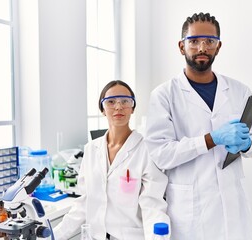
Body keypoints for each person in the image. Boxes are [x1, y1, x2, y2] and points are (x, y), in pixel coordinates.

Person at [145, 12, 252, 240]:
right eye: (194, 41)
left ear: (218, 47)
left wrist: (247, 143)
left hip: (232, 204)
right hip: (190, 210)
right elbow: (161, 154)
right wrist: (211, 139)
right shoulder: (164, 95)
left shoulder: (239, 91)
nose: (202, 47)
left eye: (209, 41)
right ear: (182, 47)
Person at [53, 80, 170, 240]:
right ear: (102, 109)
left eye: (125, 101)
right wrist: (52, 236)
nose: (118, 107)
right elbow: (83, 203)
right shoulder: (91, 149)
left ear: (133, 107)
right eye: (111, 102)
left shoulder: (147, 150)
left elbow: (153, 206)